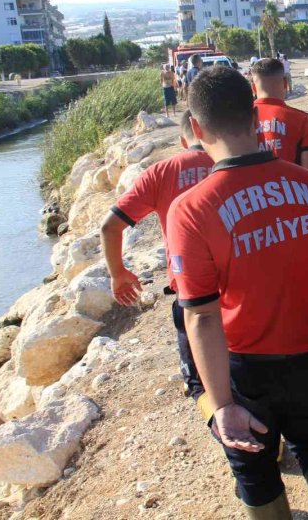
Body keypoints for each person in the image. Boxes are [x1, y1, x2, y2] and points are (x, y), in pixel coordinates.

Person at [167, 66, 308, 519]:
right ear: (255, 116)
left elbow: (200, 315)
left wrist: (220, 405)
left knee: (253, 469)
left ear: (196, 129)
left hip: (247, 366)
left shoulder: (191, 210)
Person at [100, 111, 212, 401]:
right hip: (240, 287)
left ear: (182, 139)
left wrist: (118, 274)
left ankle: (223, 426)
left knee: (200, 381)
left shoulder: (161, 172)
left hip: (189, 290)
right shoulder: (236, 165)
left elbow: (110, 226)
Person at [250, 58, 308, 175]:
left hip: (249, 191)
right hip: (290, 189)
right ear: (285, 84)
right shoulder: (302, 120)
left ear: (253, 87)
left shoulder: (238, 119)